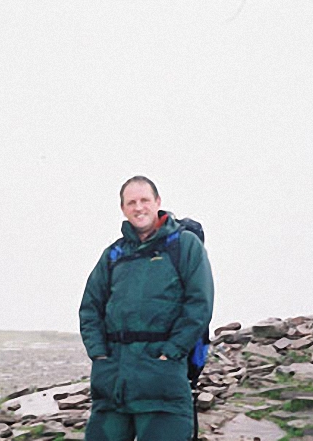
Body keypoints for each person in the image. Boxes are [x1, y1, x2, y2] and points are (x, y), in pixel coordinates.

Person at [79, 176, 214, 441]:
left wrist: (171, 353)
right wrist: (99, 355)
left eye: (144, 200)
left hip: (162, 382)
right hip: (113, 383)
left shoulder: (184, 245)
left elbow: (199, 305)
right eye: (131, 202)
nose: (138, 207)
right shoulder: (113, 255)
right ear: (123, 209)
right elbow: (90, 308)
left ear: (158, 203)